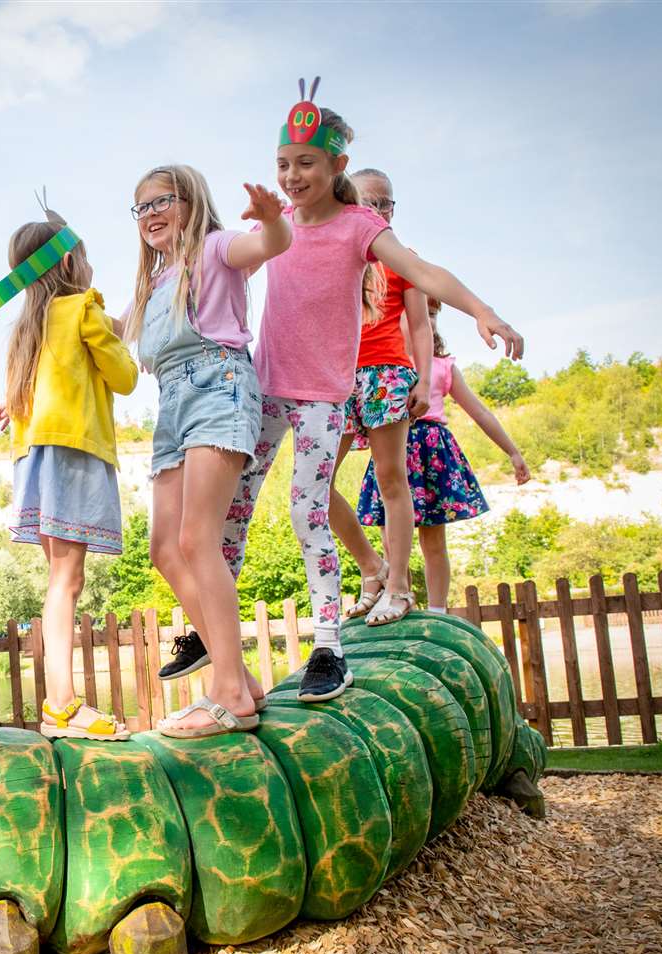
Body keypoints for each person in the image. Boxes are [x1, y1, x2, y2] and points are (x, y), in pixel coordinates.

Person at [221, 81, 523, 702]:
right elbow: (215, 268)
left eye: (306, 163)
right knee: (234, 505)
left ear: (336, 166)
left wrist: (482, 311)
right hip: (266, 390)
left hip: (326, 397)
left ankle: (329, 649)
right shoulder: (275, 224)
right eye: (283, 164)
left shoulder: (359, 226)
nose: (292, 175)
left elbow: (426, 274)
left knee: (307, 513)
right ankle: (213, 630)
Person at [120, 164, 291, 737]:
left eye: (161, 201)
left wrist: (272, 221)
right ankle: (241, 679)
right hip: (171, 403)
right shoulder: (155, 282)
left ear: (190, 203)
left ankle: (227, 693)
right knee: (165, 548)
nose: (150, 215)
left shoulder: (217, 249)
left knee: (198, 540)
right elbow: (115, 332)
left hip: (219, 385)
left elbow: (267, 245)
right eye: (140, 208)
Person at [0, 202, 139, 739]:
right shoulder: (81, 310)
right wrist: (112, 334)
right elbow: (125, 377)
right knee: (67, 583)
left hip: (36, 460)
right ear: (71, 262)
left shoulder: (27, 326)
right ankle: (62, 706)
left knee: (60, 581)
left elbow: (41, 387)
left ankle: (59, 704)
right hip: (73, 455)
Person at [357, 298, 531, 611]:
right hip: (395, 451)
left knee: (434, 541)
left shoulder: (442, 366)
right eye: (423, 314)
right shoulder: (383, 367)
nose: (430, 321)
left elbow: (479, 411)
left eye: (434, 314)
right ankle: (399, 599)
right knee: (391, 540)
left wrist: (513, 452)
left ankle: (437, 609)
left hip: (431, 453)